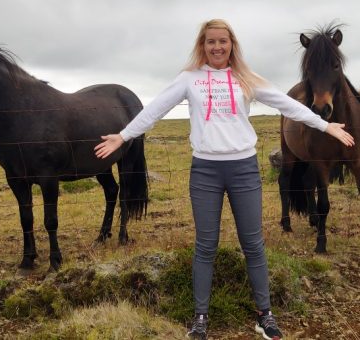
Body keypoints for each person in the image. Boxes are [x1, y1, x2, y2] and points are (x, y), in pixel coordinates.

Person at [94, 19, 354, 340]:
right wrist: (123, 135)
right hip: (205, 171)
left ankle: (265, 315)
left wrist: (325, 126)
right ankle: (200, 318)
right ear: (202, 45)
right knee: (206, 246)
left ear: (232, 45)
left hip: (243, 169)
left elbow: (286, 104)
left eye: (223, 41)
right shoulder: (189, 79)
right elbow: (155, 109)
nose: (217, 47)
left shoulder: (246, 78)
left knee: (253, 245)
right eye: (210, 42)